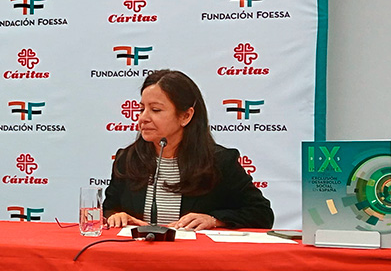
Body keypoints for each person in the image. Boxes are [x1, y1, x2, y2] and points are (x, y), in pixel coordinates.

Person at [104, 69, 273, 230]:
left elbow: (262, 214)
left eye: (155, 110)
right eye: (142, 109)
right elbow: (108, 211)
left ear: (186, 116)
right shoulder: (127, 159)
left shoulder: (219, 162)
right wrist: (118, 216)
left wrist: (214, 220)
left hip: (196, 257)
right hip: (138, 255)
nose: (143, 118)